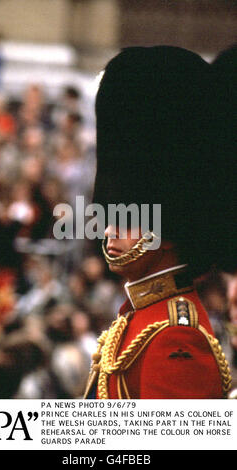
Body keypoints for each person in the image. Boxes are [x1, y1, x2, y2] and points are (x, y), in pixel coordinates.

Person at [84, 46, 232, 399]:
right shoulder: (138, 319)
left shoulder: (176, 338)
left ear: (166, 231)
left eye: (127, 216)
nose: (108, 229)